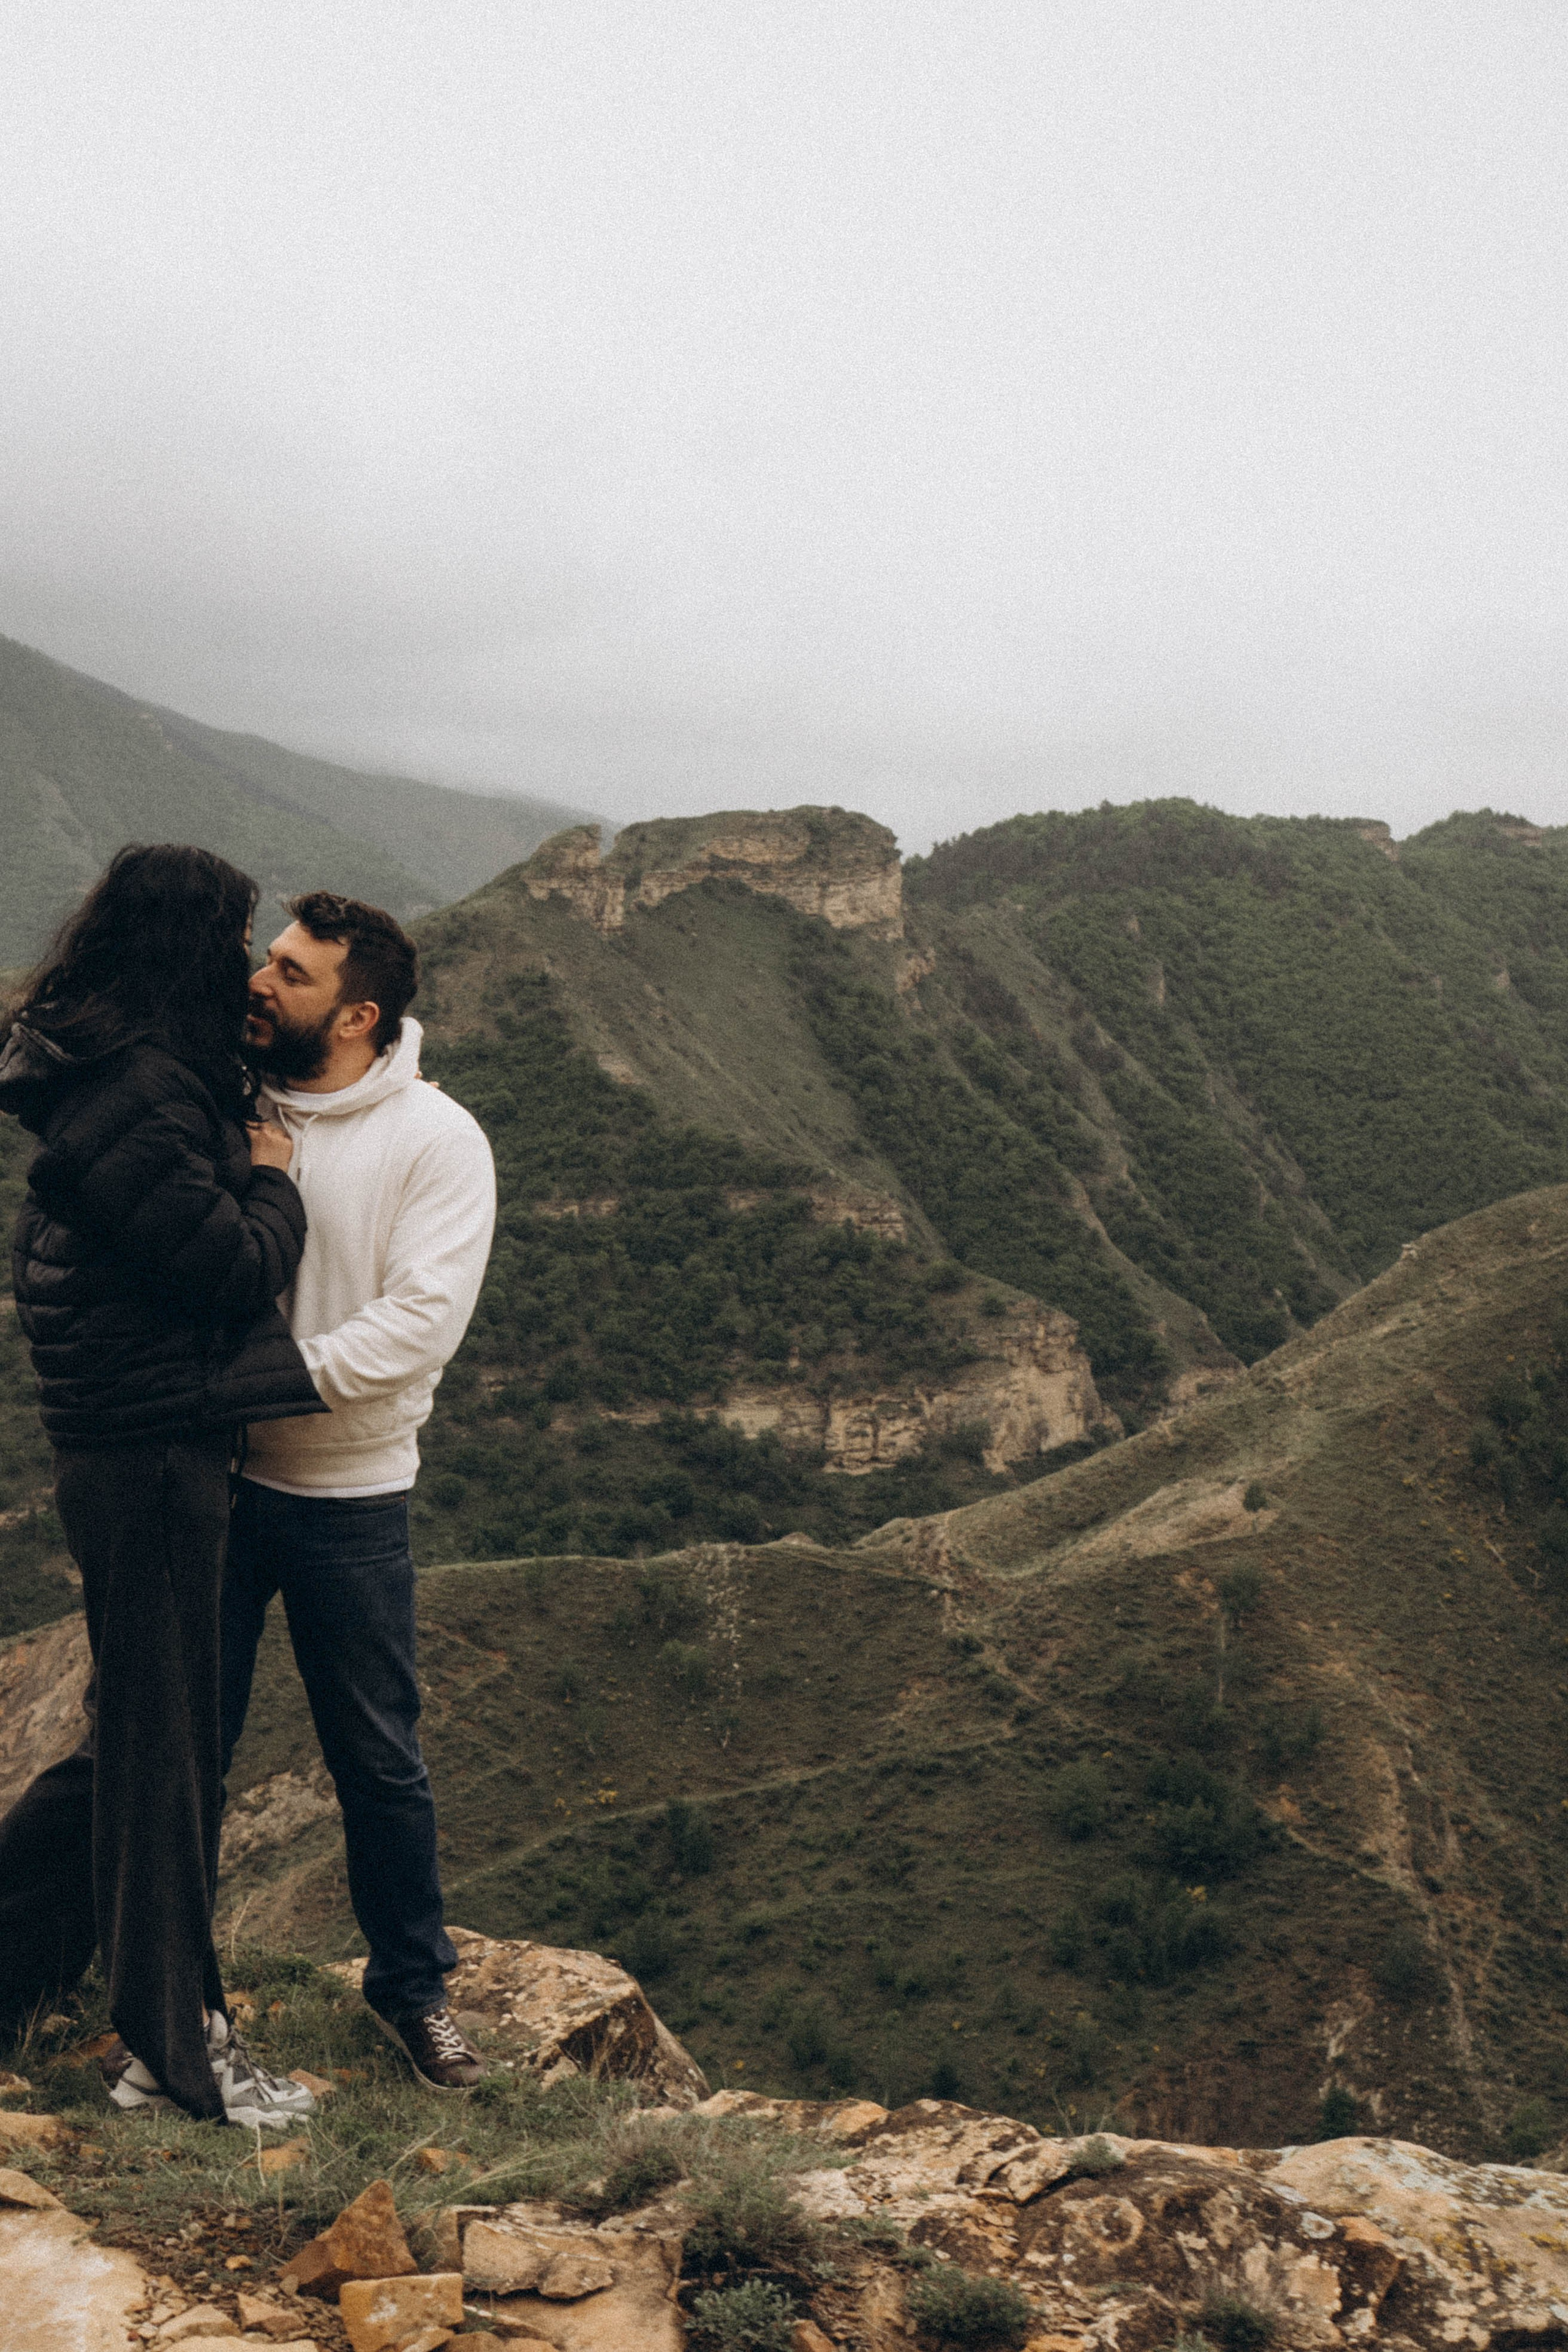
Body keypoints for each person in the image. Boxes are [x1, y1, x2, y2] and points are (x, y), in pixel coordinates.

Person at [0, 845, 323, 2129]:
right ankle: (177, 2050)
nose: (249, 966)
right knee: (162, 1756)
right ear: (190, 943)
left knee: (140, 1741)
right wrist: (276, 1178)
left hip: (132, 1442)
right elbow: (229, 1268)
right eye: (241, 936)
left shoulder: (116, 1069)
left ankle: (42, 1980)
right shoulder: (140, 1090)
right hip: (149, 1454)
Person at [221, 891, 496, 2090]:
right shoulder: (237, 1104)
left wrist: (262, 1385)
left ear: (358, 1013)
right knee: (188, 1747)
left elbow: (419, 1324)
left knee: (377, 1759)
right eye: (269, 960)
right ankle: (165, 1979)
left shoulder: (437, 1140)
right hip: (213, 1485)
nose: (261, 982)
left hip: (349, 1496)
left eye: (290, 972)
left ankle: (412, 1990)